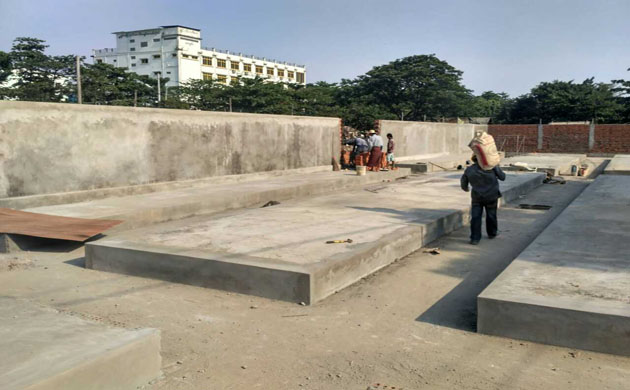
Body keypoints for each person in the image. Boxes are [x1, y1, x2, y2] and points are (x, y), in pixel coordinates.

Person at [460, 155, 506, 245]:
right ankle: (492, 233)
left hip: (477, 197)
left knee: (476, 217)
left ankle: (475, 238)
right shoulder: (492, 168)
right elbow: (502, 177)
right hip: (491, 196)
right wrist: (496, 165)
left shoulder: (470, 169)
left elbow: (463, 183)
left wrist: (466, 189)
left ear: (474, 159)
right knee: (491, 215)